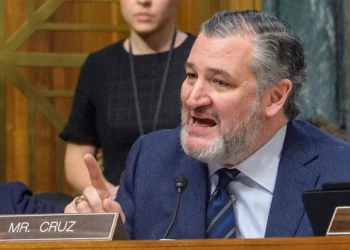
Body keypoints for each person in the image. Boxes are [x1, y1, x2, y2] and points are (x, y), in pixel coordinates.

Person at [65, 10, 350, 239]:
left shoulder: (339, 169)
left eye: (219, 82)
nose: (193, 97)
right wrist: (99, 233)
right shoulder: (151, 159)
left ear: (274, 97)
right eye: (191, 75)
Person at [59, 0, 196, 197]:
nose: (143, 2)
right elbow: (77, 157)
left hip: (188, 200)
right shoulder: (99, 65)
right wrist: (110, 195)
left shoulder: (199, 59)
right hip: (117, 204)